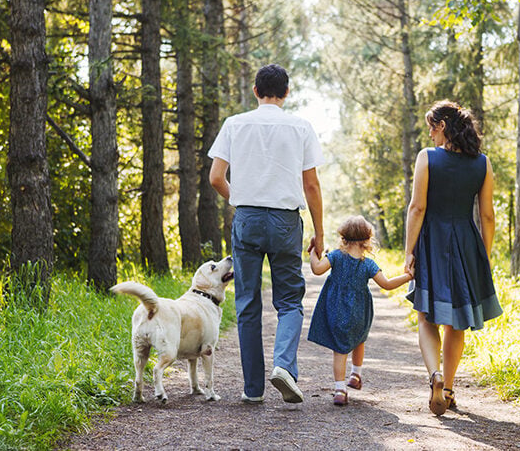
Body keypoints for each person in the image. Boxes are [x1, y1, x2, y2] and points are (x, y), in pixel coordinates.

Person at [208, 64, 325, 404]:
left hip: (247, 218)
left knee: (247, 302)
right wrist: (319, 232)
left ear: (256, 91)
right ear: (286, 93)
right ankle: (284, 367)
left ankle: (252, 389)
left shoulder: (235, 124)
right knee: (289, 301)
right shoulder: (301, 127)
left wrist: (242, 199)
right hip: (286, 221)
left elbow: (216, 177)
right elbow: (311, 185)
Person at [403, 100, 502, 416]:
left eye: (431, 128)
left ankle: (434, 374)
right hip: (465, 243)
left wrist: (409, 251)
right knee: (457, 320)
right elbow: (487, 215)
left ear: (441, 126)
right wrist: (483, 255)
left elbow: (417, 208)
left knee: (426, 314)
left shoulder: (427, 158)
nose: (430, 135)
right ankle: (447, 388)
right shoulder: (482, 163)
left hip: (432, 239)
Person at [308, 216, 413, 406]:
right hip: (360, 311)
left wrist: (312, 253)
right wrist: (408, 276)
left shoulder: (335, 257)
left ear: (344, 238)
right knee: (359, 338)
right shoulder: (368, 264)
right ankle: (356, 374)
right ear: (366, 241)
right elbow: (387, 284)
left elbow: (316, 269)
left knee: (340, 349)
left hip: (336, 309)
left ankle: (340, 389)